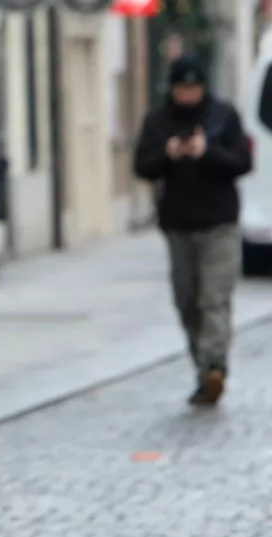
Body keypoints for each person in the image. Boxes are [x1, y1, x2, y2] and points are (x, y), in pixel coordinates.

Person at [133, 56, 252, 406]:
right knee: (187, 302)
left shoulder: (222, 115)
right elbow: (142, 166)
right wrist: (169, 154)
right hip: (178, 225)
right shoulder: (158, 121)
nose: (188, 95)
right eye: (182, 89)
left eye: (194, 88)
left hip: (220, 223)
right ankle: (203, 370)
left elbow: (243, 162)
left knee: (214, 298)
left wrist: (207, 152)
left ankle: (215, 366)